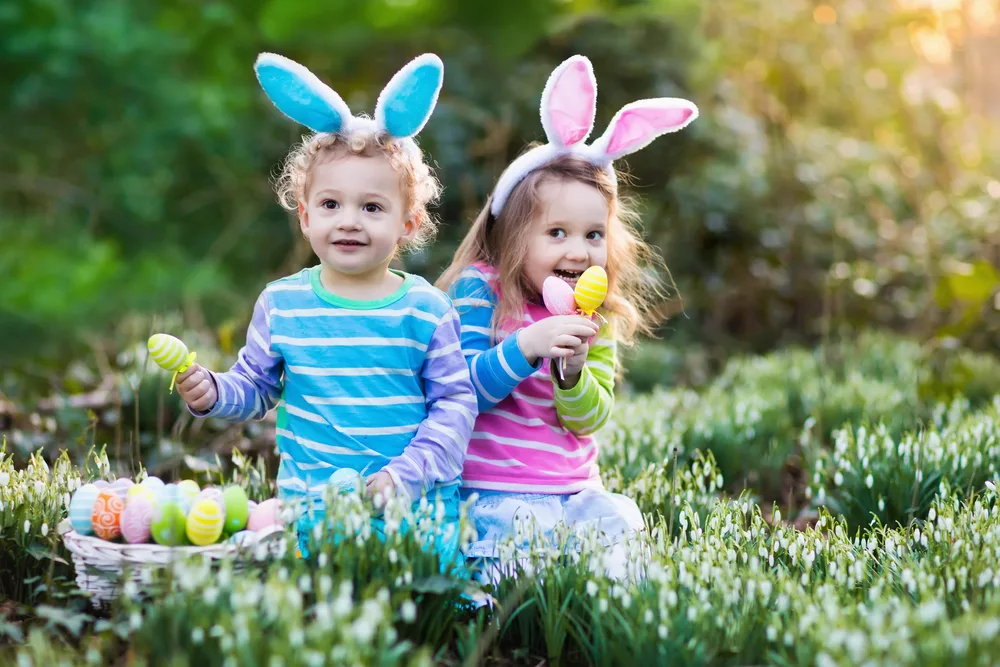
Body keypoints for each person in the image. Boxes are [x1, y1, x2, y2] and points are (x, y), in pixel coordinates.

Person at [175, 52, 477, 565]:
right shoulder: (283, 303)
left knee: (425, 595)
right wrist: (212, 393)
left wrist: (406, 475)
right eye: (331, 205)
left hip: (410, 507)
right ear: (305, 216)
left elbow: (455, 406)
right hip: (311, 510)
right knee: (308, 588)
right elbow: (256, 387)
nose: (349, 221)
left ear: (408, 222)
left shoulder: (426, 310)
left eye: (373, 207)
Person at [436, 54, 699, 581]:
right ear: (513, 234)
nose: (578, 251)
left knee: (621, 544)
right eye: (557, 233)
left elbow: (587, 419)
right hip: (494, 489)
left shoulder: (592, 313)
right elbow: (461, 393)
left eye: (593, 235)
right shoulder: (481, 290)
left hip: (573, 489)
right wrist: (527, 345)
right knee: (519, 564)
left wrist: (572, 373)